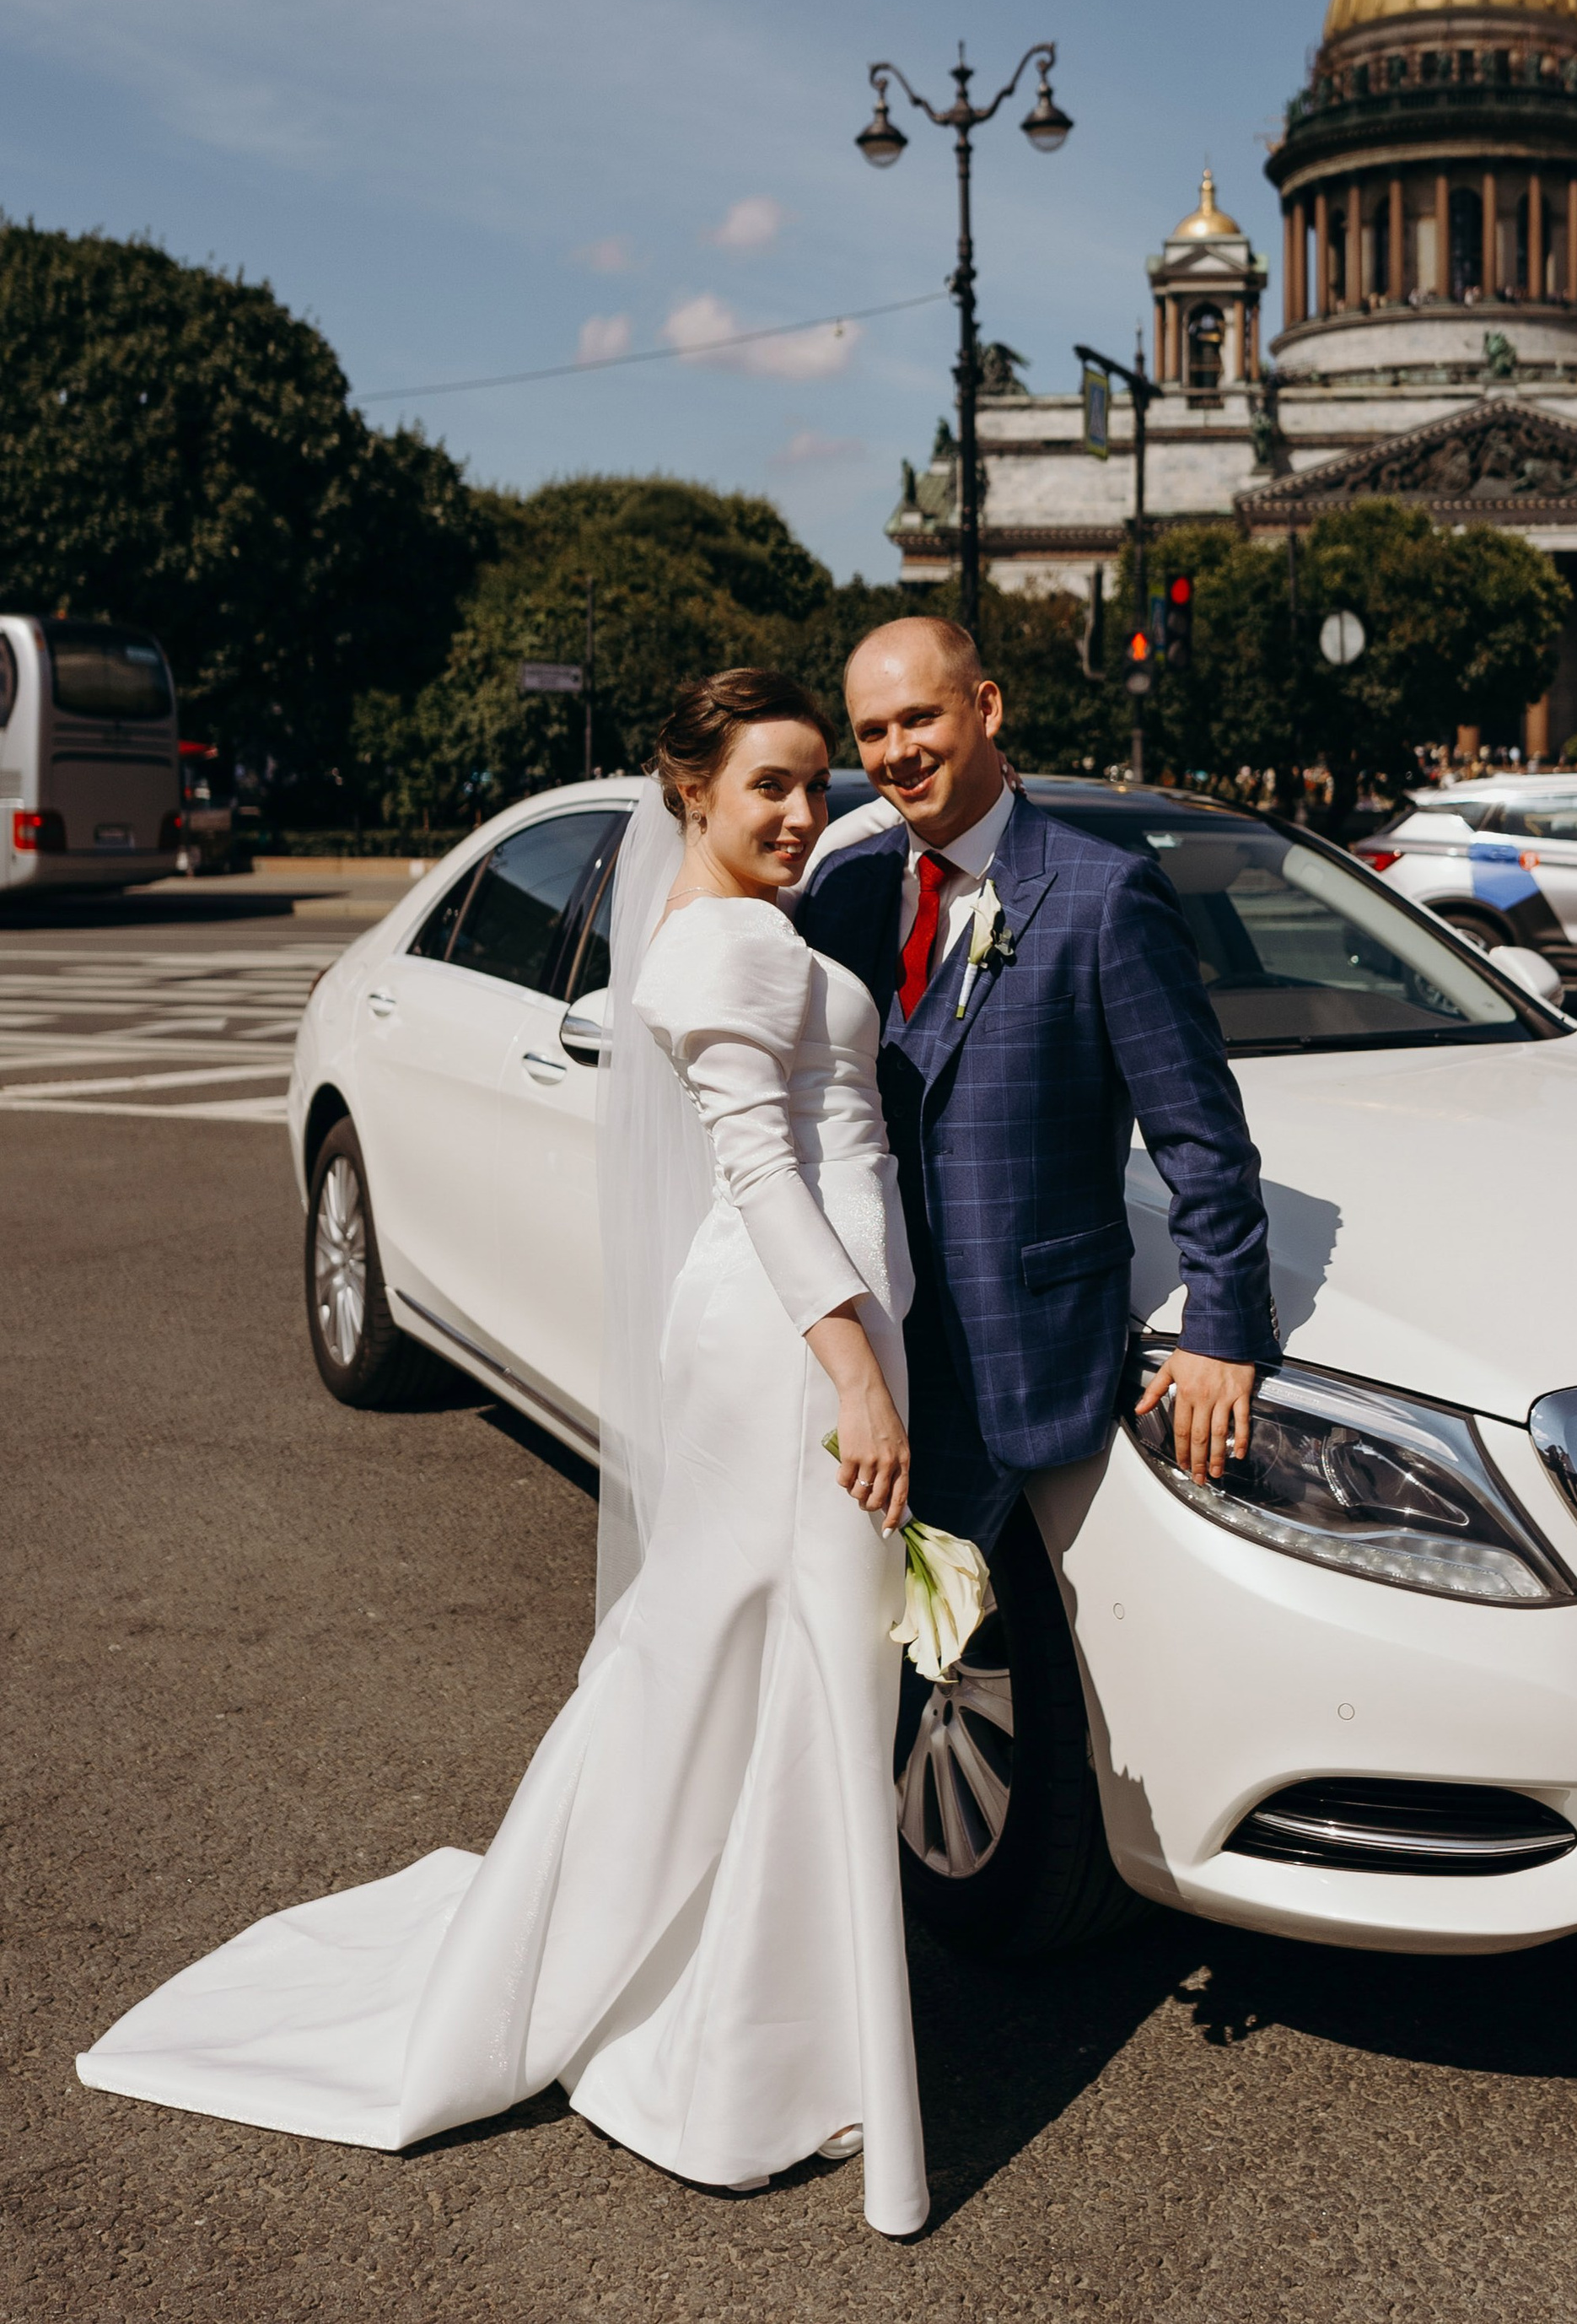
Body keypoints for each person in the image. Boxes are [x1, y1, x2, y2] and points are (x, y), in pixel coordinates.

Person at [77, 670, 931, 2237]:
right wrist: (859, 1380)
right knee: (800, 1672)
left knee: (764, 1670)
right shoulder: (716, 947)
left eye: (821, 781)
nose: (809, 811)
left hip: (807, 1336)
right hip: (796, 1353)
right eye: (774, 785)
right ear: (691, 790)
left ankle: (764, 2022)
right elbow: (763, 1175)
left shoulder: (748, 912)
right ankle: (746, 2067)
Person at [795, 615, 1275, 1554]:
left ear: (986, 707)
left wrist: (1222, 1329)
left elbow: (1199, 1134)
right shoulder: (841, 888)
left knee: (950, 1618)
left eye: (919, 718)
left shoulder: (1107, 894)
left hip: (1019, 1353)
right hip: (860, 1345)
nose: (896, 752)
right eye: (872, 731)